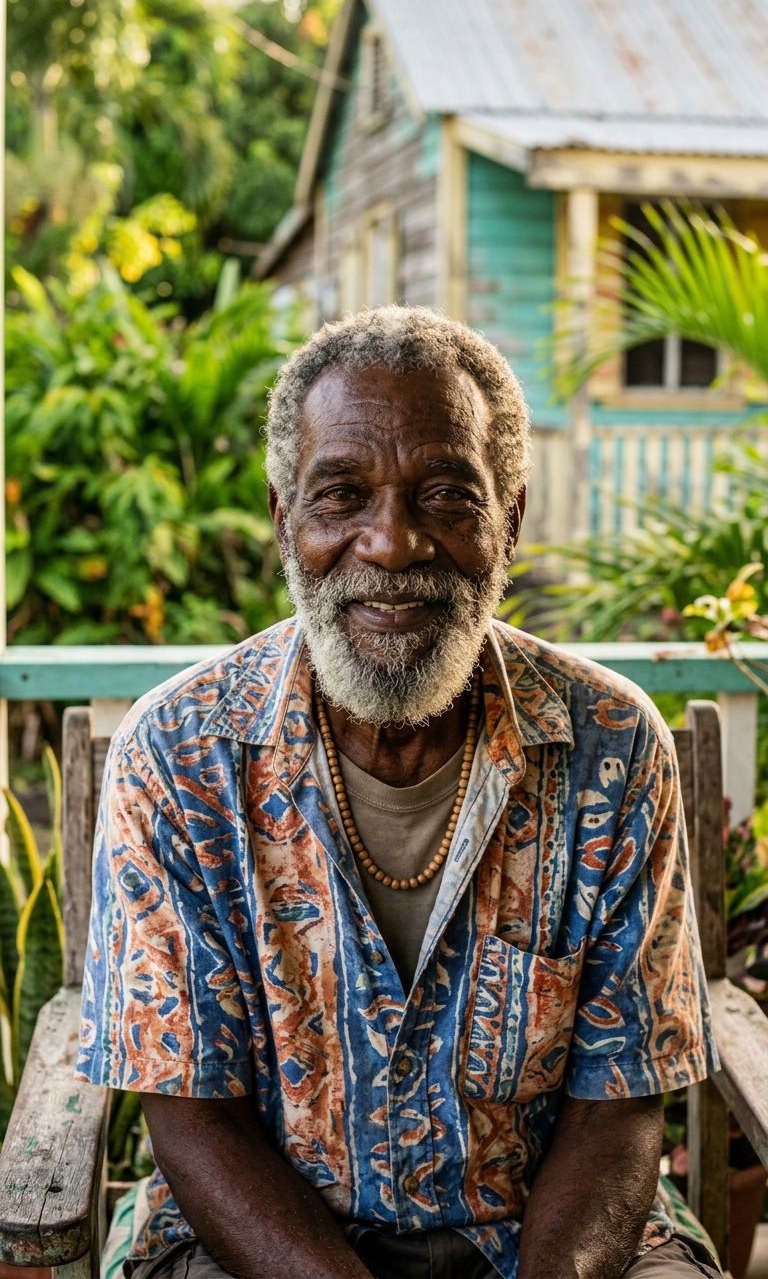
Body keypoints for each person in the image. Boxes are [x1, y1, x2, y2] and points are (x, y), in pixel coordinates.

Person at [77, 306, 720, 1279]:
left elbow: (618, 1100)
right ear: (283, 516)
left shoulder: (612, 747)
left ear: (509, 517)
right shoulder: (181, 755)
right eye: (341, 494)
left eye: (445, 494)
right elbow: (193, 1111)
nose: (392, 542)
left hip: (543, 1233)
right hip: (260, 1239)